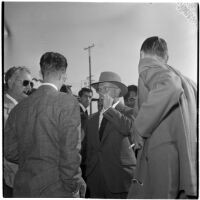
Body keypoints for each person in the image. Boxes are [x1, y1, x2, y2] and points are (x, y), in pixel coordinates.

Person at [4, 52, 86, 197]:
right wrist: (74, 186)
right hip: (57, 188)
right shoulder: (67, 102)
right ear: (63, 76)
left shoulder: (18, 108)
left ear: (41, 73)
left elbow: (9, 151)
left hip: (23, 189)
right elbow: (71, 152)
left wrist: (33, 157)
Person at [127, 36, 197, 198]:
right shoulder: (189, 82)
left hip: (160, 162)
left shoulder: (148, 64)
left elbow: (170, 86)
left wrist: (139, 127)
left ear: (142, 53)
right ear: (166, 56)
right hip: (182, 163)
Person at [84, 71, 137, 198]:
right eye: (99, 89)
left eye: (105, 88)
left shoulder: (130, 112)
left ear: (117, 91)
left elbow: (130, 129)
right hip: (95, 181)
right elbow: (87, 150)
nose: (101, 92)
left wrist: (109, 110)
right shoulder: (91, 119)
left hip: (119, 181)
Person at [4, 66, 33, 197]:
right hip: (10, 180)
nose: (29, 88)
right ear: (10, 82)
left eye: (31, 84)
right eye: (25, 82)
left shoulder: (24, 108)